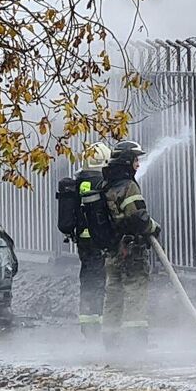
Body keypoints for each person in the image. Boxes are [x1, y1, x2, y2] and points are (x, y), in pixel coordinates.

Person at [100, 140, 160, 347]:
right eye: (135, 160)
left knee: (113, 293)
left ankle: (110, 341)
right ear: (127, 162)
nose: (138, 165)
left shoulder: (105, 185)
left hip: (113, 251)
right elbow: (138, 217)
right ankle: (136, 343)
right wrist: (154, 227)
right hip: (132, 251)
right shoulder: (129, 186)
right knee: (135, 291)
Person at [65, 142, 113, 339]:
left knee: (88, 281)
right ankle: (99, 327)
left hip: (83, 242)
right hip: (97, 241)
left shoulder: (79, 181)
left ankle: (88, 325)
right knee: (100, 282)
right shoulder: (100, 182)